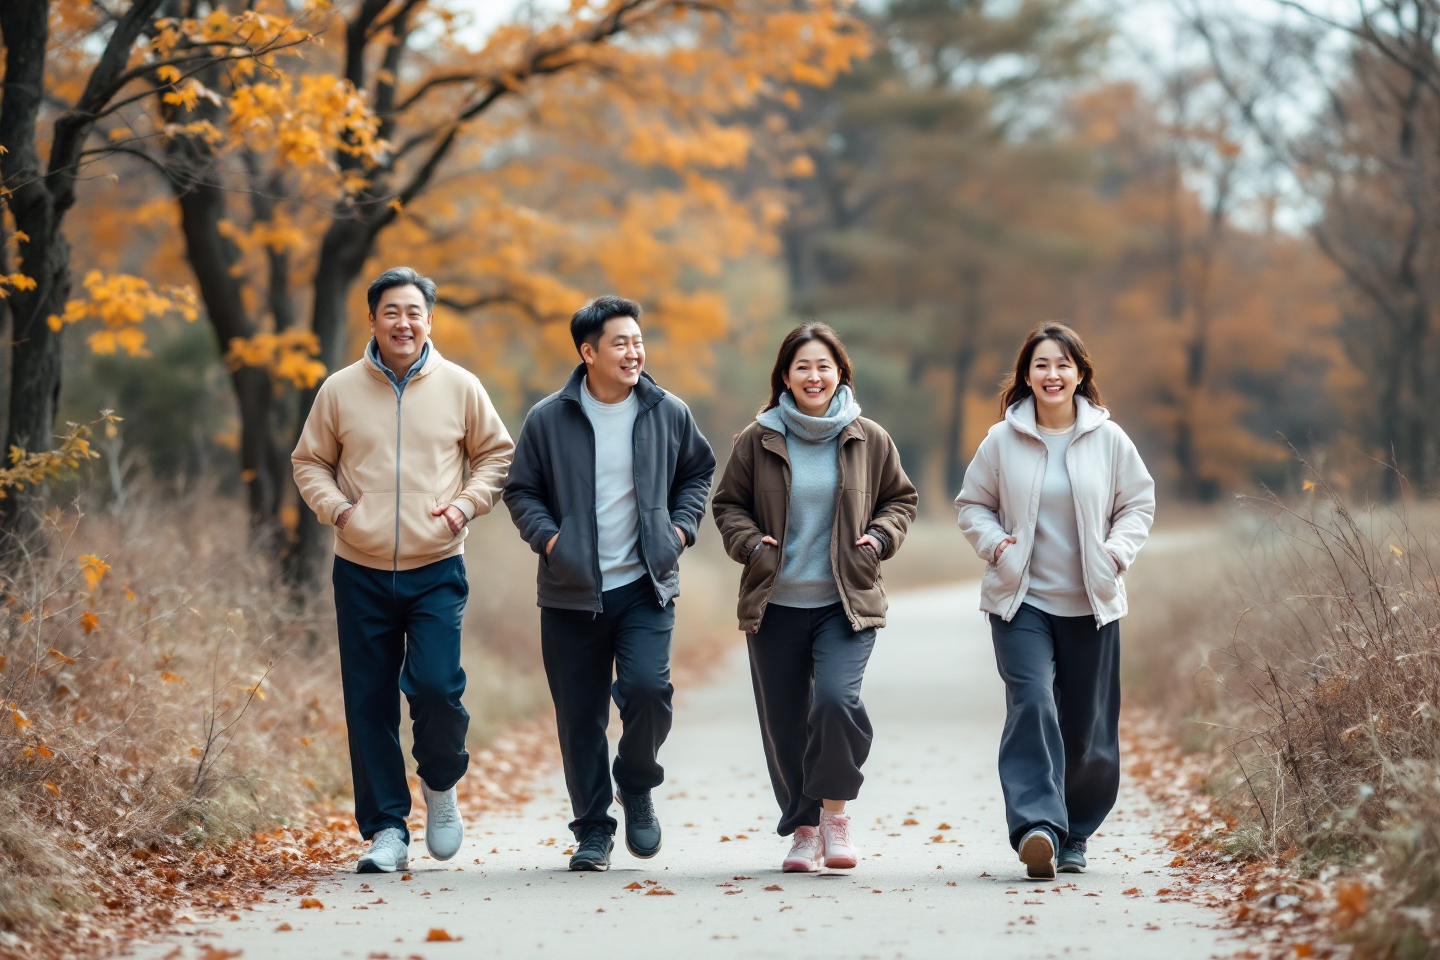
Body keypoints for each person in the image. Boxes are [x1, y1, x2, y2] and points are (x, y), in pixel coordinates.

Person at [292, 267, 515, 873]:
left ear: (429, 320)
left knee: (439, 689)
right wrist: (338, 510)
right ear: (372, 320)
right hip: (359, 569)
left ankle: (440, 785)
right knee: (368, 701)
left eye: (414, 311)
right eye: (391, 311)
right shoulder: (338, 390)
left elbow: (497, 455)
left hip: (437, 563)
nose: (403, 322)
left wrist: (465, 506)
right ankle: (386, 828)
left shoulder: (461, 387)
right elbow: (309, 461)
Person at [503, 295, 716, 872]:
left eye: (637, 341)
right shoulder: (549, 418)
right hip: (572, 590)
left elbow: (698, 470)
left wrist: (679, 530)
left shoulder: (667, 410)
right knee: (580, 717)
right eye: (620, 342)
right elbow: (520, 490)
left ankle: (637, 781)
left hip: (645, 584)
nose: (634, 352)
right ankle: (593, 829)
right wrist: (551, 542)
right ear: (588, 352)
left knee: (649, 690)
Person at [712, 323, 917, 873]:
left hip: (845, 604)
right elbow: (727, 505)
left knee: (834, 702)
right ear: (784, 376)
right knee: (784, 723)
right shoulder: (756, 440)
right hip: (775, 604)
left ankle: (835, 814)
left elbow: (901, 499)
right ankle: (803, 831)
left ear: (840, 374)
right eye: (802, 366)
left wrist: (879, 539)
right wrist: (751, 544)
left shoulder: (868, 437)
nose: (813, 375)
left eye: (824, 366)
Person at [955, 321, 1154, 880]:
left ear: (1080, 374)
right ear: (1026, 375)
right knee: (1033, 704)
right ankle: (1037, 826)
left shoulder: (1109, 440)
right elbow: (972, 504)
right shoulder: (1002, 440)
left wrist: (1117, 552)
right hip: (1022, 604)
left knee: (1087, 730)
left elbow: (1138, 504)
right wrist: (994, 545)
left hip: (1093, 603)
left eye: (1063, 364)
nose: (1052, 374)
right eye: (1041, 364)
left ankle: (1075, 832)